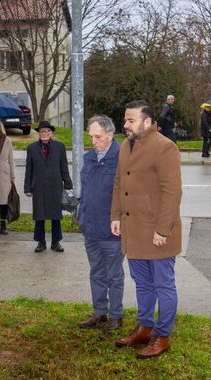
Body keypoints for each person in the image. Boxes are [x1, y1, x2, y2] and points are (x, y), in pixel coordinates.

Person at [111, 100, 182, 359]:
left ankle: (162, 336)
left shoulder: (165, 147)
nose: (126, 124)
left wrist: (163, 230)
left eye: (131, 120)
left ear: (148, 121)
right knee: (142, 283)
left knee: (163, 286)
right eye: (125, 120)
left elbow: (172, 192)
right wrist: (115, 216)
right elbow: (120, 183)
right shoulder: (124, 146)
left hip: (157, 232)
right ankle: (144, 327)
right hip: (134, 230)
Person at [77, 115, 124, 333]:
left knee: (114, 275)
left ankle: (116, 315)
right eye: (91, 137)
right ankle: (99, 312)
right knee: (96, 272)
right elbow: (86, 192)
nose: (94, 141)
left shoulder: (122, 158)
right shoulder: (88, 158)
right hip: (91, 228)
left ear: (110, 135)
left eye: (98, 137)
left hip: (112, 230)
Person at [24, 120, 73, 253]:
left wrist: (68, 183)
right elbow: (29, 169)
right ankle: (41, 242)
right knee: (39, 214)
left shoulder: (60, 147)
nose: (44, 133)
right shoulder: (32, 148)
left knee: (55, 215)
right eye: (41, 131)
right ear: (38, 133)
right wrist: (27, 188)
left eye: (47, 131)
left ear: (51, 133)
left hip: (55, 185)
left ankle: (56, 242)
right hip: (38, 186)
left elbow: (64, 167)